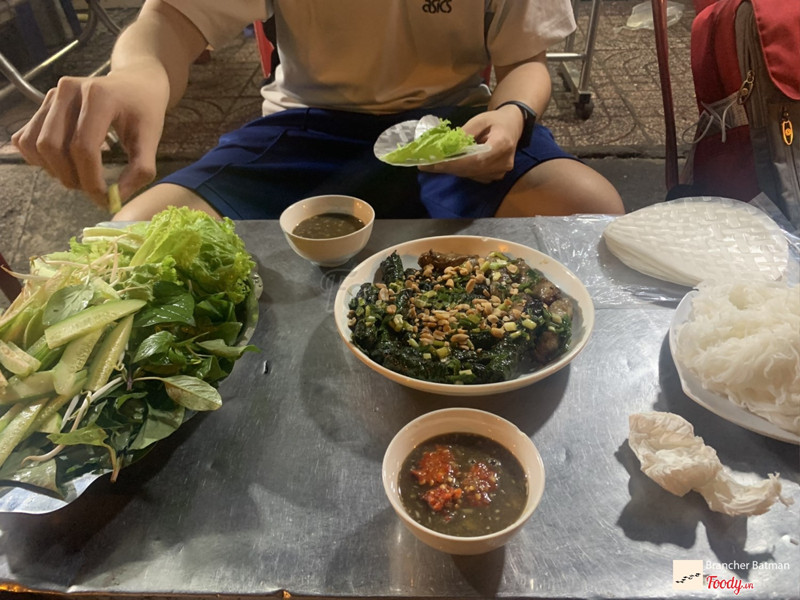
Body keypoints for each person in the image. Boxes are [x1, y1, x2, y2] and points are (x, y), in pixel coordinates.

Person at [12, 0, 624, 221]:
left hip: (450, 127)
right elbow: (169, 22)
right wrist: (135, 76)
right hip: (308, 125)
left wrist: (513, 112)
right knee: (133, 237)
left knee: (590, 208)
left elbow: (526, 59)